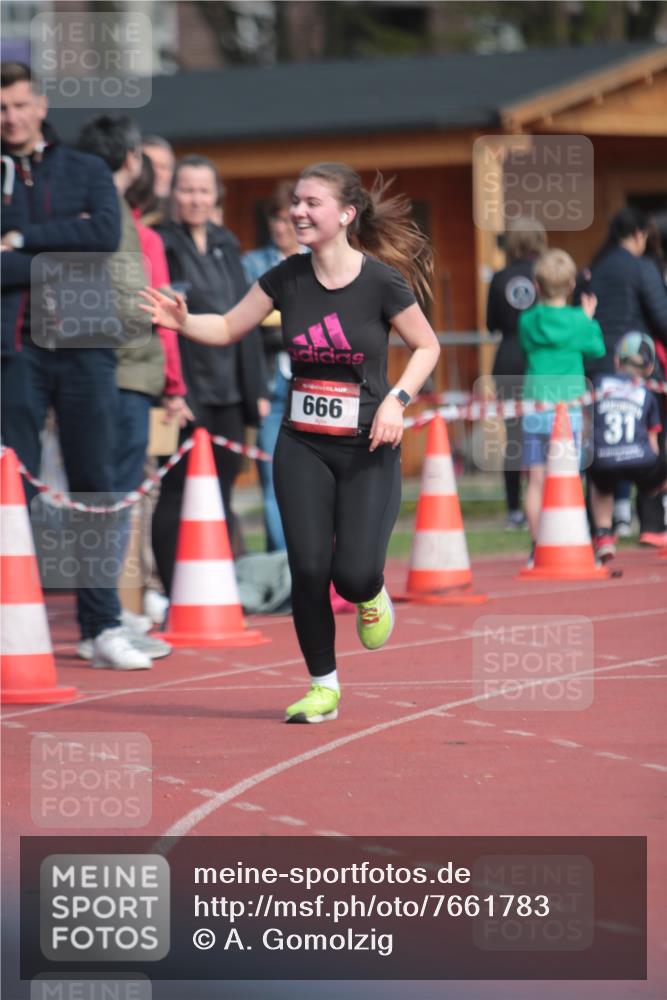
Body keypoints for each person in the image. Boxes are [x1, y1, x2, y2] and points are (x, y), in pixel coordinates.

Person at [141, 161, 441, 723]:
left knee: (351, 574)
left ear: (346, 214)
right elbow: (229, 327)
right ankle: (322, 685)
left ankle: (371, 592)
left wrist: (398, 402)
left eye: (311, 203)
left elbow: (426, 347)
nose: (297, 212)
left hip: (367, 446)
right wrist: (182, 323)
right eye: (294, 203)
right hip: (302, 443)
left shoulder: (380, 281)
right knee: (306, 567)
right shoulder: (285, 277)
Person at [0, 62, 144, 670]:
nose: (11, 118)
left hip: (84, 345)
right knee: (12, 488)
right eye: (2, 109)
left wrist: (18, 240)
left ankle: (101, 625)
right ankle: (15, 621)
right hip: (14, 351)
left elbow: (105, 236)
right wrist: (62, 241)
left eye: (20, 105)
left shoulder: (85, 168)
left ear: (41, 105)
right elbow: (79, 241)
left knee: (96, 486)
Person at [76, 115, 192, 663]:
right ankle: (102, 622)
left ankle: (108, 616)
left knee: (117, 501)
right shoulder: (111, 214)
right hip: (119, 374)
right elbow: (126, 300)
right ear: (130, 160)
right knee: (111, 502)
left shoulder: (115, 213)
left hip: (125, 375)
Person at [151, 154, 269, 595]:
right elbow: (155, 323)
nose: (195, 198)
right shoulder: (160, 242)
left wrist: (254, 389)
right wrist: (168, 388)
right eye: (186, 189)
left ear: (216, 195)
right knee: (177, 491)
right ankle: (170, 590)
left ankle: (211, 588)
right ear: (172, 193)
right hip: (181, 394)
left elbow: (245, 318)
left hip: (230, 392)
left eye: (203, 190)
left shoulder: (227, 243)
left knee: (220, 492)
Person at [585, 207, 667, 543]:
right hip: (637, 369)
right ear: (640, 234)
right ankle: (651, 525)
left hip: (599, 370)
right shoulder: (642, 267)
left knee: (601, 445)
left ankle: (600, 530)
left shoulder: (597, 267)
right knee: (651, 438)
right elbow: (662, 318)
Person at [519, 249, 605, 560]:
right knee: (569, 477)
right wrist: (588, 319)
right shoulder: (579, 321)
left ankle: (537, 546)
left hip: (534, 407)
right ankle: (571, 543)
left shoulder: (527, 320)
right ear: (571, 284)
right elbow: (596, 348)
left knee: (536, 480)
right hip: (568, 412)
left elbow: (526, 343)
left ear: (537, 286)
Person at [242, 180, 304, 552]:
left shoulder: (317, 260)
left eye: (287, 218)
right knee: (272, 477)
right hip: (269, 385)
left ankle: (314, 564)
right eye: (274, 219)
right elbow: (245, 326)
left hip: (313, 384)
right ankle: (283, 565)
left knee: (310, 481)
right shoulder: (251, 264)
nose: (281, 227)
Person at [486, 218, 547, 529]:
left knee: (514, 439)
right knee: (549, 433)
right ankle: (550, 503)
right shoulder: (546, 274)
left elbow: (491, 324)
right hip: (539, 359)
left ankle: (514, 510)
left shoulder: (499, 278)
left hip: (507, 359)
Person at [590, 333, 667, 562]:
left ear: (617, 361)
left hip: (604, 458)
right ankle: (654, 526)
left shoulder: (599, 384)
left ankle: (603, 536)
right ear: (650, 366)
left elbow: (589, 424)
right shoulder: (648, 393)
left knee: (600, 488)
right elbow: (653, 442)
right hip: (640, 459)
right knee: (659, 473)